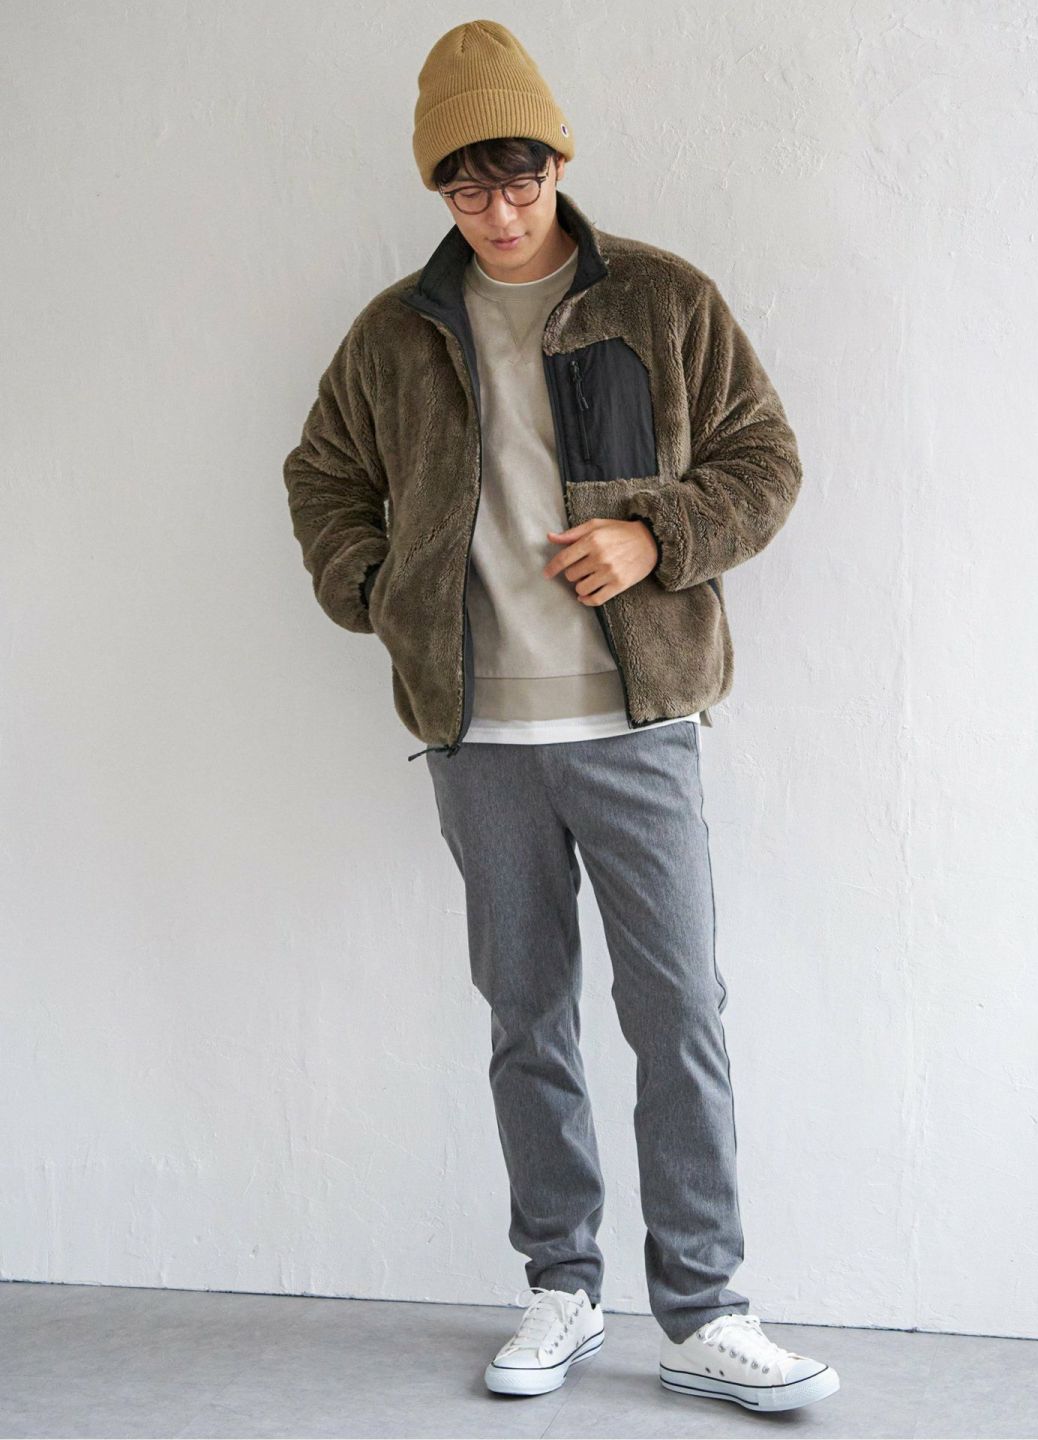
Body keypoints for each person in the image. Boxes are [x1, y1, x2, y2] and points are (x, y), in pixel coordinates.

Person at [282, 17, 839, 1417]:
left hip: (637, 723)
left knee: (679, 1012)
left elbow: (764, 460)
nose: (499, 211)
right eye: (467, 187)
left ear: (559, 165)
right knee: (525, 1014)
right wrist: (378, 591)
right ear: (438, 188)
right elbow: (322, 475)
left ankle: (706, 1310)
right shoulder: (397, 334)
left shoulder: (662, 298)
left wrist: (658, 537)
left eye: (519, 179)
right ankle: (563, 1286)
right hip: (478, 736)